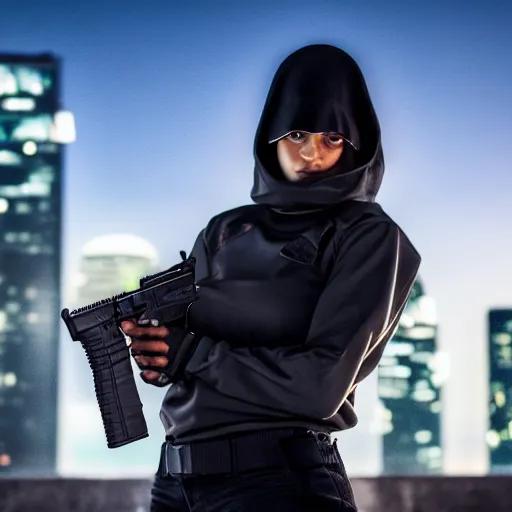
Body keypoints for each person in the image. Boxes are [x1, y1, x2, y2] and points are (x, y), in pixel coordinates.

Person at [121, 43, 421, 511]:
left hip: (280, 482)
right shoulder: (224, 230)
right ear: (271, 137)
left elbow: (317, 387)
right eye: (297, 133)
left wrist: (193, 353)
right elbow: (185, 361)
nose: (311, 153)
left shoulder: (369, 236)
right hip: (176, 480)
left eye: (332, 138)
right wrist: (159, 348)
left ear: (357, 143)